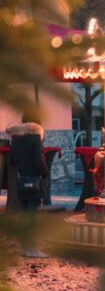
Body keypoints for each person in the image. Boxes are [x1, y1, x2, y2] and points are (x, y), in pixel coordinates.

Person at [6, 110, 50, 258]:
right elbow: (38, 161)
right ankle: (32, 249)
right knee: (31, 217)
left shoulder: (15, 138)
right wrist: (45, 172)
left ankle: (25, 248)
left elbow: (11, 162)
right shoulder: (36, 137)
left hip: (22, 181)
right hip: (35, 181)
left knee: (25, 216)